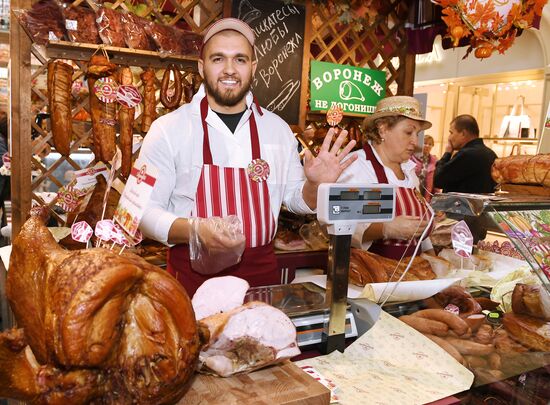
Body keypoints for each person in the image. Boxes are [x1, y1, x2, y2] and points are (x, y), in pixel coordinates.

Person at [137, 18, 356, 295]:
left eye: (240, 59)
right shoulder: (168, 129)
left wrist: (314, 186)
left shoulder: (277, 129)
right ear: (201, 66)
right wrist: (196, 230)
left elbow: (295, 199)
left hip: (261, 276)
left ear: (252, 67)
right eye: (218, 58)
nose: (229, 69)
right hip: (192, 279)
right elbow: (142, 212)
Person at [338, 96, 434, 260]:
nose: (415, 141)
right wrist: (385, 229)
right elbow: (340, 225)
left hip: (411, 275)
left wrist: (433, 260)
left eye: (417, 134)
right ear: (383, 129)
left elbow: (420, 235)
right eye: (408, 132)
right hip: (369, 278)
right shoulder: (357, 167)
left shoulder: (409, 170)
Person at [433, 114, 497, 194]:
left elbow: (438, 180)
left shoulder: (467, 154)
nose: (449, 137)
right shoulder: (491, 154)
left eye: (451, 133)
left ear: (463, 133)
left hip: (463, 206)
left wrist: (447, 153)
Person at [412, 134, 438, 201]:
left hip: (428, 194)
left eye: (430, 144)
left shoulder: (435, 160)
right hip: (415, 192)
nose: (427, 146)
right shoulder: (413, 158)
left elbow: (435, 180)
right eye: (425, 143)